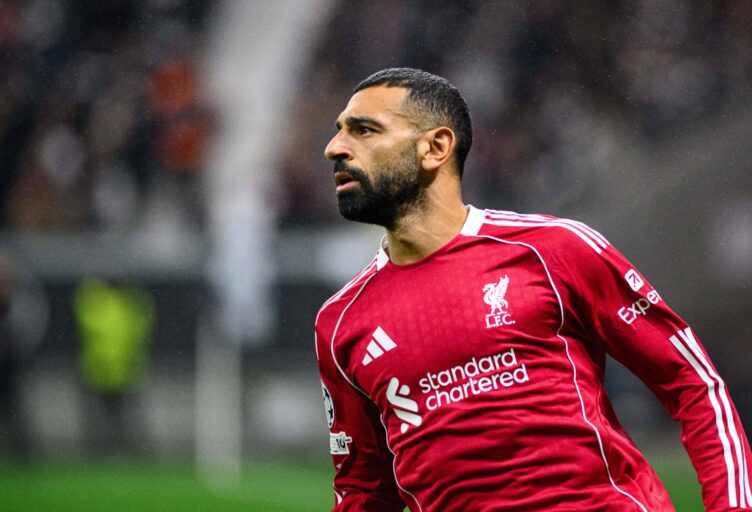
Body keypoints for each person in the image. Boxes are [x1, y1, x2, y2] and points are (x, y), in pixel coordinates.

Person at [313, 67, 752, 511]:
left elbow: (692, 382)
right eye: (339, 133)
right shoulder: (341, 321)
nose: (335, 148)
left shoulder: (554, 250)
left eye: (364, 130)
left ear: (436, 148)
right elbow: (364, 491)